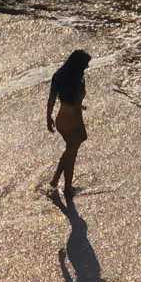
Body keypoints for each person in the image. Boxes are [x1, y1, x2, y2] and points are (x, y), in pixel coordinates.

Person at [46, 49, 91, 195]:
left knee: (69, 151)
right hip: (73, 118)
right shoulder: (78, 79)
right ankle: (67, 188)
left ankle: (55, 180)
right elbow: (76, 102)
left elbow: (52, 99)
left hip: (61, 118)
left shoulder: (59, 75)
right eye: (85, 65)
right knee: (71, 154)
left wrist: (48, 117)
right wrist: (80, 106)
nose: (87, 68)